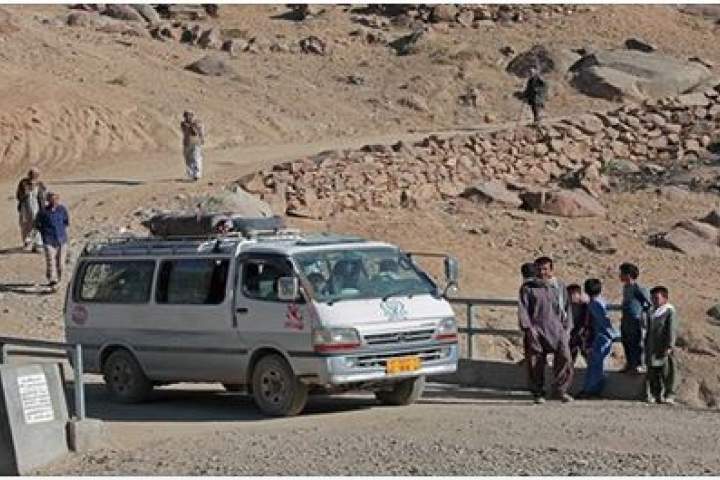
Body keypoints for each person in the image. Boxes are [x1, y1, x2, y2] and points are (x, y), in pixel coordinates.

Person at [518, 258, 574, 404]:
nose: (542, 272)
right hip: (537, 328)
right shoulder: (528, 288)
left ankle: (561, 390)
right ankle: (538, 393)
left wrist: (567, 328)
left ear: (551, 270)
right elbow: (523, 310)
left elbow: (567, 308)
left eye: (545, 269)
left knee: (565, 357)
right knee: (536, 361)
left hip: (557, 329)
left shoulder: (559, 286)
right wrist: (529, 329)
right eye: (539, 269)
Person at [577, 279, 618, 399]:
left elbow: (605, 322)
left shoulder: (595, 304)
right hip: (601, 337)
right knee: (596, 364)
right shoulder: (600, 302)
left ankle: (591, 389)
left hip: (601, 337)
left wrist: (611, 334)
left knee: (596, 364)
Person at [645, 286, 679, 405]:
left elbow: (672, 329)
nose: (654, 300)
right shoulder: (651, 312)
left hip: (664, 347)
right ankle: (655, 394)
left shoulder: (669, 311)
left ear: (665, 298)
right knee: (653, 372)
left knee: (668, 372)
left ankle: (670, 395)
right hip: (652, 347)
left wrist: (670, 345)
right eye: (652, 298)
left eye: (657, 298)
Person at [619, 262, 652, 374]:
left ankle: (638, 365)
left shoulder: (637, 288)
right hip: (626, 319)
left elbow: (647, 303)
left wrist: (643, 317)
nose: (620, 276)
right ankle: (629, 364)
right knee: (626, 342)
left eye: (622, 273)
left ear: (628, 275)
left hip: (635, 319)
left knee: (636, 343)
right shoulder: (625, 288)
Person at [35, 192, 69, 291]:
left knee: (61, 263)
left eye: (56, 199)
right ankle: (52, 280)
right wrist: (44, 233)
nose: (54, 201)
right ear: (48, 201)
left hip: (62, 240)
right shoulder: (43, 212)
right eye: (52, 200)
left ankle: (60, 279)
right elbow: (37, 224)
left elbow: (66, 222)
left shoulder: (62, 210)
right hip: (48, 240)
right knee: (50, 261)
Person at [15, 168, 47, 252]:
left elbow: (43, 198)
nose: (34, 176)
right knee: (25, 225)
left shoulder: (40, 185)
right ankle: (27, 243)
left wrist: (43, 209)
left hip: (36, 208)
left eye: (36, 174)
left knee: (37, 224)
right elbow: (19, 195)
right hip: (25, 208)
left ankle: (38, 244)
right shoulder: (23, 183)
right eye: (32, 174)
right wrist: (26, 192)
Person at [567, 283, 591, 364]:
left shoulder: (585, 306)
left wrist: (581, 331)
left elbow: (586, 322)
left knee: (586, 351)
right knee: (569, 353)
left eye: (574, 293)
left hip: (583, 333)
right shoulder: (567, 306)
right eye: (569, 294)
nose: (571, 296)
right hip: (571, 333)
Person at [180, 111, 205, 181]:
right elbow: (188, 130)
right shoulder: (184, 124)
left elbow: (198, 132)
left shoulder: (196, 123)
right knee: (188, 159)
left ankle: (197, 174)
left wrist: (202, 138)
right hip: (187, 143)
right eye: (186, 116)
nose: (187, 117)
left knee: (196, 158)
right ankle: (191, 174)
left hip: (195, 142)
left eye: (188, 116)